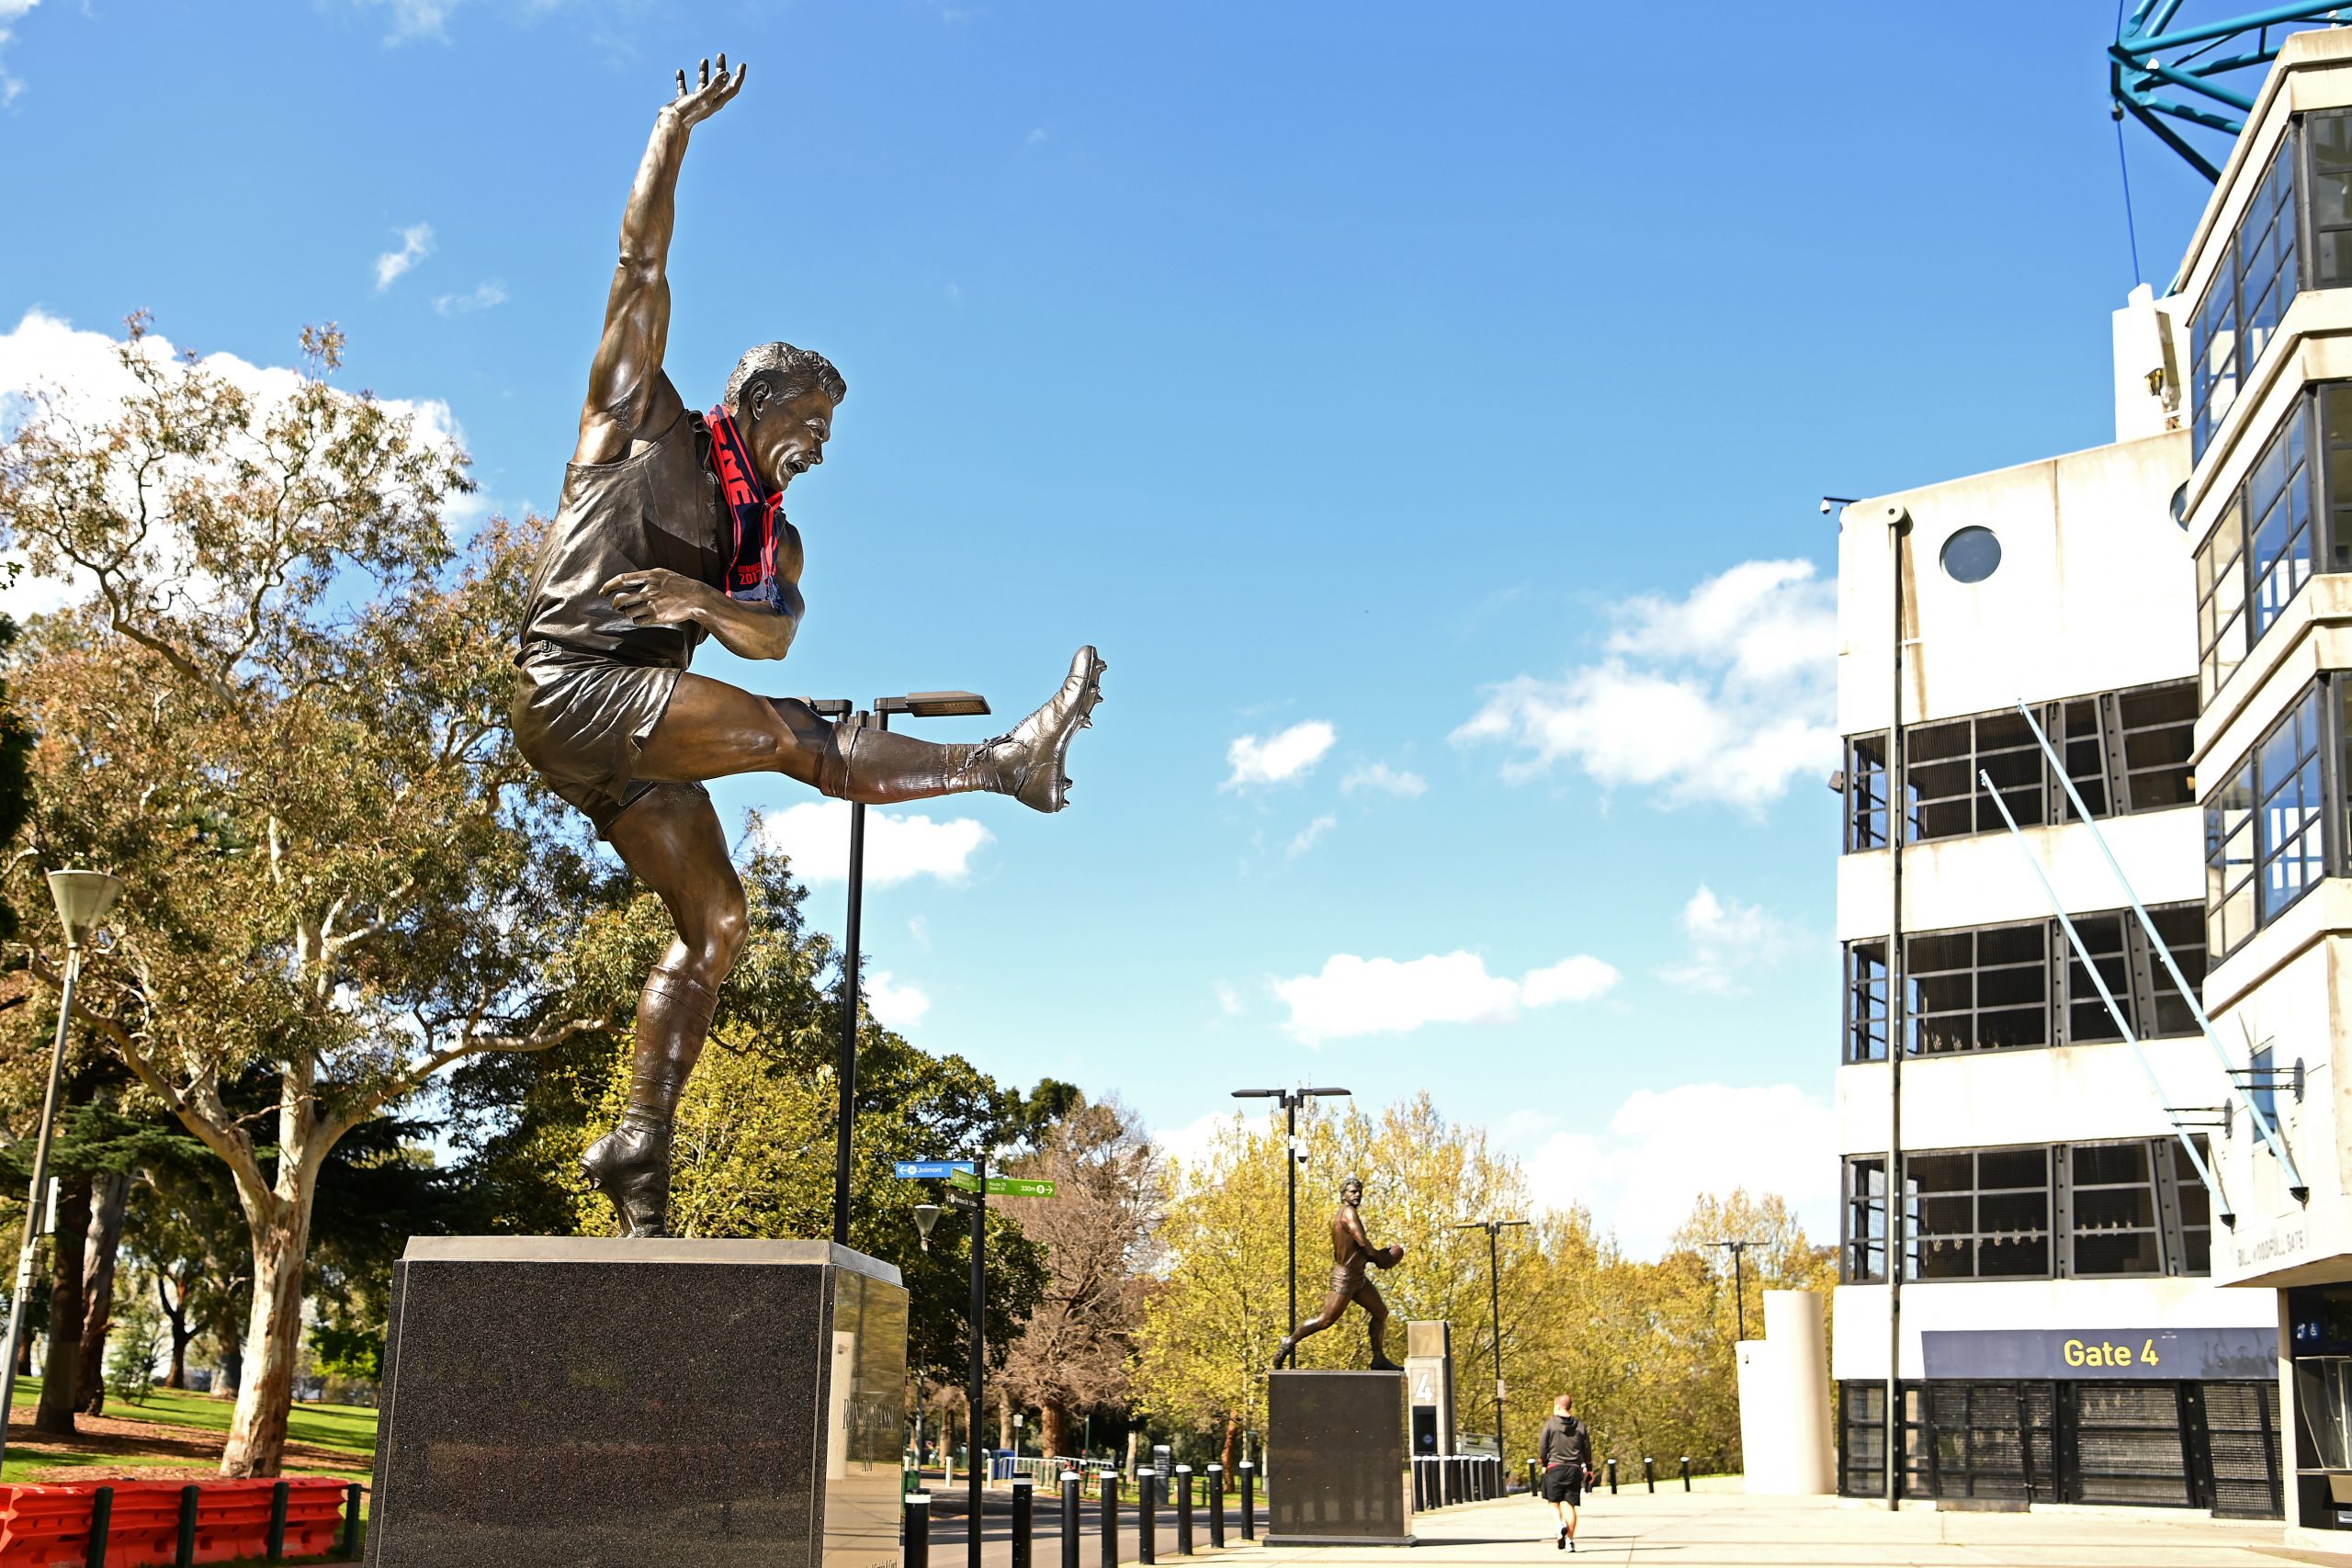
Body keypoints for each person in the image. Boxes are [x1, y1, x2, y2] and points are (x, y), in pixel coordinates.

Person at [511, 54, 1105, 1237]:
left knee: (719, 926)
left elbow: (773, 639)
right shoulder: (640, 423)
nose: (821, 448)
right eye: (809, 424)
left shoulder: (773, 543)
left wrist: (704, 612)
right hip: (573, 686)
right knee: (802, 744)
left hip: (634, 739)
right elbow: (641, 267)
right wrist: (670, 133)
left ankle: (638, 1146)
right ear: (755, 401)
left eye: (832, 432)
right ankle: (1003, 766)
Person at [1270, 1176, 1407, 1370]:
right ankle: (1288, 1342)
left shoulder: (1350, 1212)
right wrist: (1379, 1257)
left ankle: (1378, 1359)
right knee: (1325, 1320)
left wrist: (1376, 1256)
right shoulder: (1348, 1213)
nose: (1357, 1194)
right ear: (1344, 1195)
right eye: (1353, 1191)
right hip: (1345, 1279)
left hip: (1358, 1278)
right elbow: (1362, 1242)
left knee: (1381, 1312)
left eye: (1359, 1191)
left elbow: (1358, 1251)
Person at [1536, 1393, 1595, 1551]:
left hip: (1554, 1467)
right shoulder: (1580, 1426)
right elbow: (1587, 1449)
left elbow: (1543, 1446)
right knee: (1570, 1506)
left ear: (1558, 1406)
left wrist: (1544, 1462)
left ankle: (1559, 1524)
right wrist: (1589, 1469)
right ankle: (1570, 1541)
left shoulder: (1550, 1425)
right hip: (1574, 1469)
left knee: (1553, 1502)